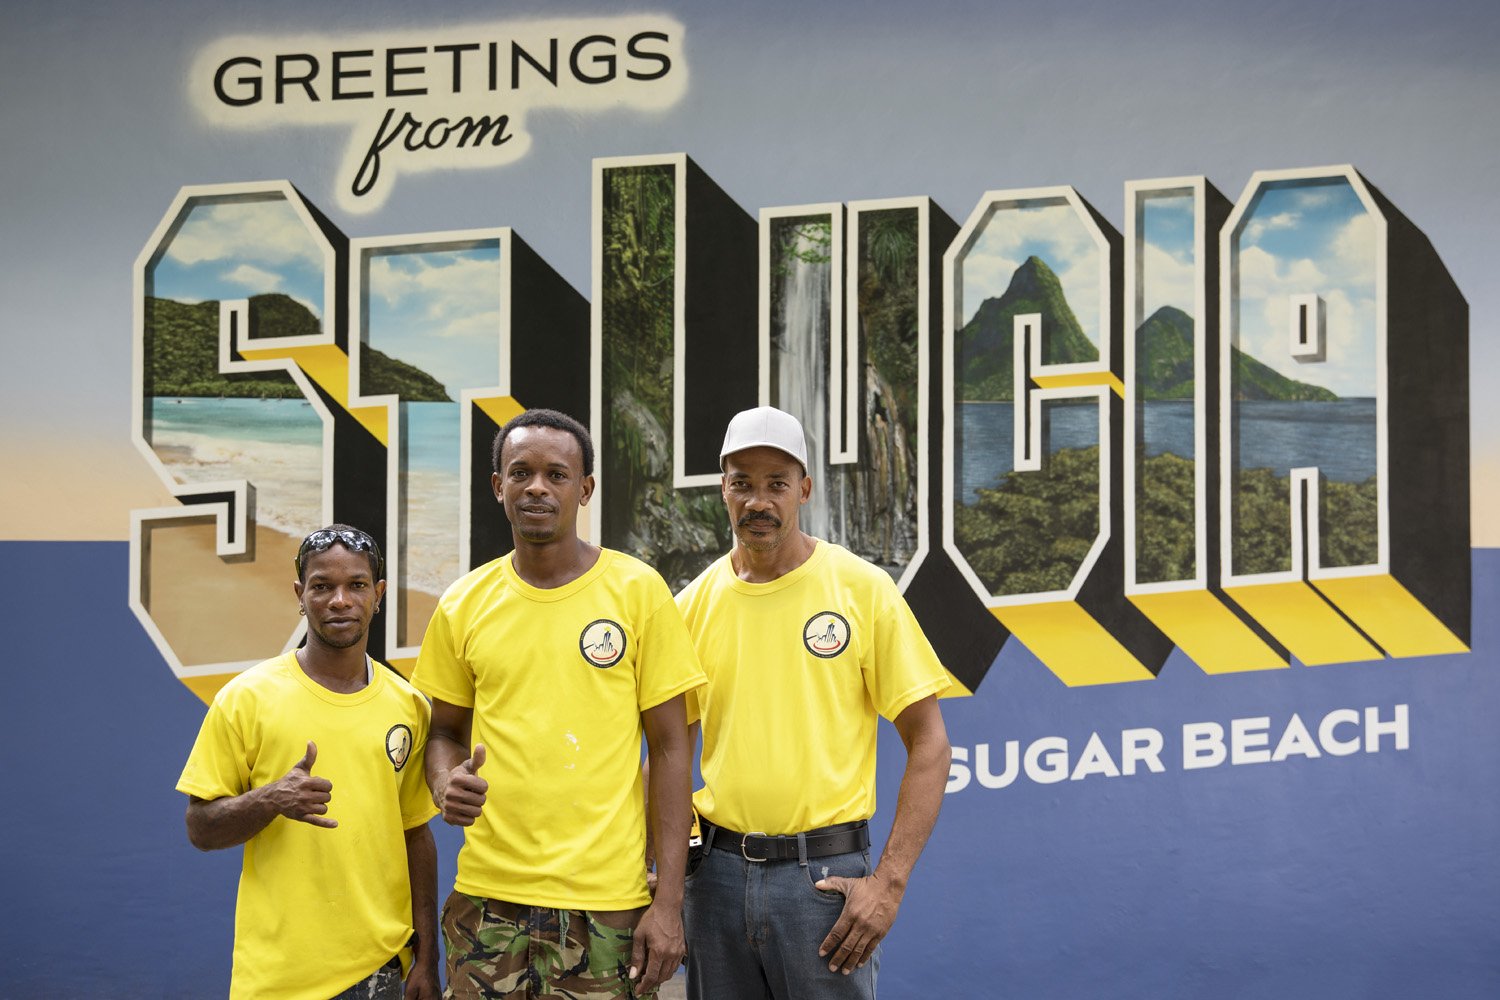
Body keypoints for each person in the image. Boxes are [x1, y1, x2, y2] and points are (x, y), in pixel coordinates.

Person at [411, 408, 704, 999]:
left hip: (607, 908)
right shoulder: (464, 603)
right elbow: (442, 732)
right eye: (520, 473)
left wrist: (668, 902)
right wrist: (445, 785)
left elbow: (673, 749)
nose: (537, 487)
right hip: (487, 903)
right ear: (498, 486)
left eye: (556, 474)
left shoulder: (638, 591)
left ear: (585, 488)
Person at [675, 406, 953, 1000]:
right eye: (742, 482)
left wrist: (890, 884)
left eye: (776, 483)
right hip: (715, 879)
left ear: (803, 488)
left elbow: (929, 741)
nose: (758, 501)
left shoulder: (861, 589)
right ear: (722, 488)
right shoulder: (692, 606)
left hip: (823, 884)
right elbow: (668, 752)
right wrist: (668, 872)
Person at [177, 524, 439, 1000]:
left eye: (356, 585)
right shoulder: (246, 699)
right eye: (322, 586)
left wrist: (427, 958)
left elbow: (415, 833)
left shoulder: (408, 705)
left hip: (383, 968)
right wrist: (270, 799)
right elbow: (200, 828)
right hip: (280, 978)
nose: (340, 600)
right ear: (300, 594)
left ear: (378, 594)